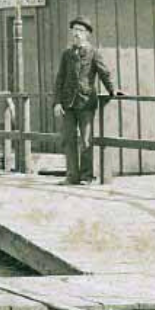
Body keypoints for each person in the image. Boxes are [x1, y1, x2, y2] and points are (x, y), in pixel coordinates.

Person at [53, 17, 124, 185]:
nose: (76, 34)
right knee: (68, 140)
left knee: (86, 141)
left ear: (87, 35)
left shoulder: (93, 53)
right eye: (74, 30)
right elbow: (59, 79)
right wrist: (57, 102)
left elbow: (104, 73)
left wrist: (112, 90)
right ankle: (72, 176)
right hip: (67, 104)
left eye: (80, 31)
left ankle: (86, 176)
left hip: (86, 103)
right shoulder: (67, 54)